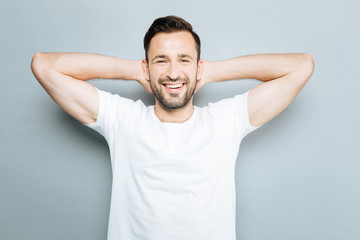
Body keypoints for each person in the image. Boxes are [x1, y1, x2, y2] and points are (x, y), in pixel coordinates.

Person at [31, 15, 314, 240]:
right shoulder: (123, 119)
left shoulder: (226, 121)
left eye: (184, 60)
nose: (173, 72)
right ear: (147, 68)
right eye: (161, 61)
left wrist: (210, 72)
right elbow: (44, 66)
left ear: (197, 67)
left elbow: (301, 66)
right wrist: (134, 70)